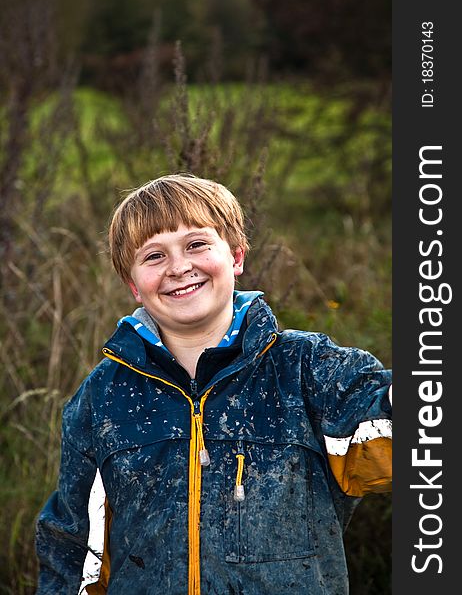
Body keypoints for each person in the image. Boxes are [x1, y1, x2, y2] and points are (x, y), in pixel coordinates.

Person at [35, 174, 392, 595]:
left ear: (236, 256)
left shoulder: (306, 367)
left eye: (197, 245)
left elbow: (389, 433)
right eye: (153, 256)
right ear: (133, 284)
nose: (179, 267)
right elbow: (75, 546)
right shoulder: (103, 397)